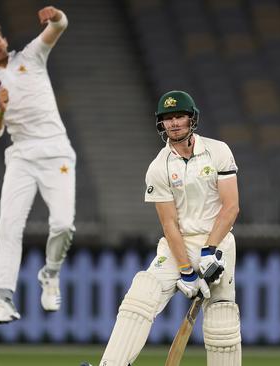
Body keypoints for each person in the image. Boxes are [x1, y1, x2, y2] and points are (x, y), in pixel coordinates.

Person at [91, 91, 242, 365]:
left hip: (218, 243)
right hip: (178, 245)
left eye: (179, 116)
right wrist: (186, 271)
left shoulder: (218, 151)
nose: (173, 123)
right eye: (167, 118)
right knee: (142, 292)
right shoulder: (158, 167)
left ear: (191, 118)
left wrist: (209, 251)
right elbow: (169, 223)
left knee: (222, 318)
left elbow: (230, 207)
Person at [0, 6, 76, 327]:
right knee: (9, 227)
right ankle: (2, 299)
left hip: (57, 152)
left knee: (63, 225)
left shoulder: (31, 56)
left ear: (3, 38)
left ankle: (50, 273)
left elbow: (60, 26)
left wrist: (55, 15)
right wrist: (0, 111)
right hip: (22, 157)